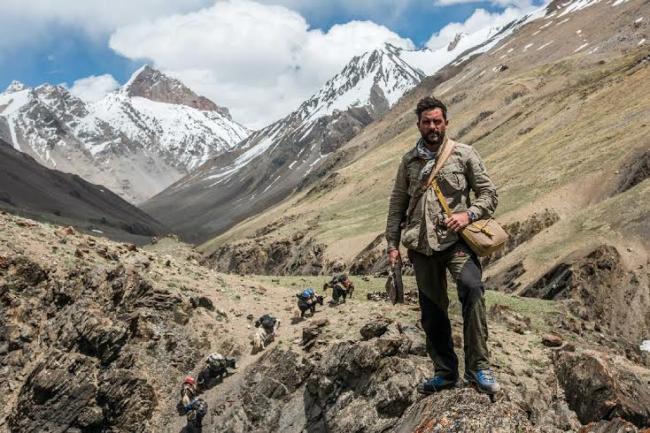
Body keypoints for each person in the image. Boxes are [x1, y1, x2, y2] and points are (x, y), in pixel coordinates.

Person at [385, 96, 500, 396]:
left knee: (472, 288)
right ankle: (445, 372)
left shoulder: (464, 155)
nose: (433, 126)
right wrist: (392, 244)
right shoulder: (409, 161)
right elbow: (397, 204)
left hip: (456, 242)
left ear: (446, 123)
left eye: (437, 121)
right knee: (432, 310)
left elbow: (489, 194)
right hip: (420, 246)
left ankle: (478, 368)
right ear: (419, 125)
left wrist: (468, 214)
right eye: (427, 122)